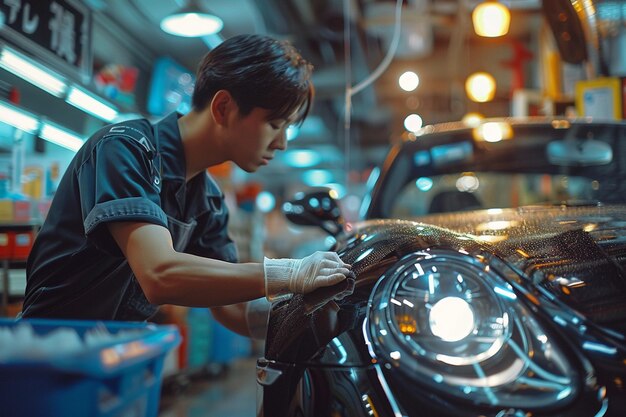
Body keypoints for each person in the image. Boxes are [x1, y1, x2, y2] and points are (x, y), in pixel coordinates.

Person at [21, 34, 351, 337]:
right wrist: (290, 273)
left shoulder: (207, 200)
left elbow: (233, 309)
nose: (281, 144)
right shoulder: (126, 149)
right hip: (47, 353)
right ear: (223, 108)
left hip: (116, 357)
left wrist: (323, 319)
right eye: (275, 124)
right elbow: (159, 274)